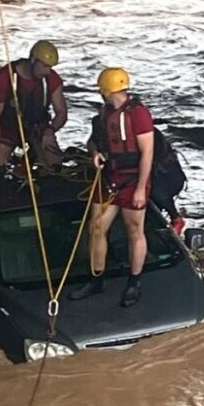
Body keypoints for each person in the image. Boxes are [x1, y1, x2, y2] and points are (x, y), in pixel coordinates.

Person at [69, 67, 154, 307]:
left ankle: (134, 282)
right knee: (96, 228)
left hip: (133, 180)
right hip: (109, 178)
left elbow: (148, 152)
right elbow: (93, 140)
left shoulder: (139, 114)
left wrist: (140, 189)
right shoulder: (105, 113)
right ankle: (96, 279)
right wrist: (95, 153)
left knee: (133, 230)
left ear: (106, 89)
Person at [0, 40, 67, 171]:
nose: (48, 71)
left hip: (38, 128)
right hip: (9, 127)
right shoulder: (5, 77)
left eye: (50, 67)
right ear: (33, 60)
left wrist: (50, 130)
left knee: (55, 165)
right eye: (45, 66)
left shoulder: (52, 79)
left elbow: (61, 112)